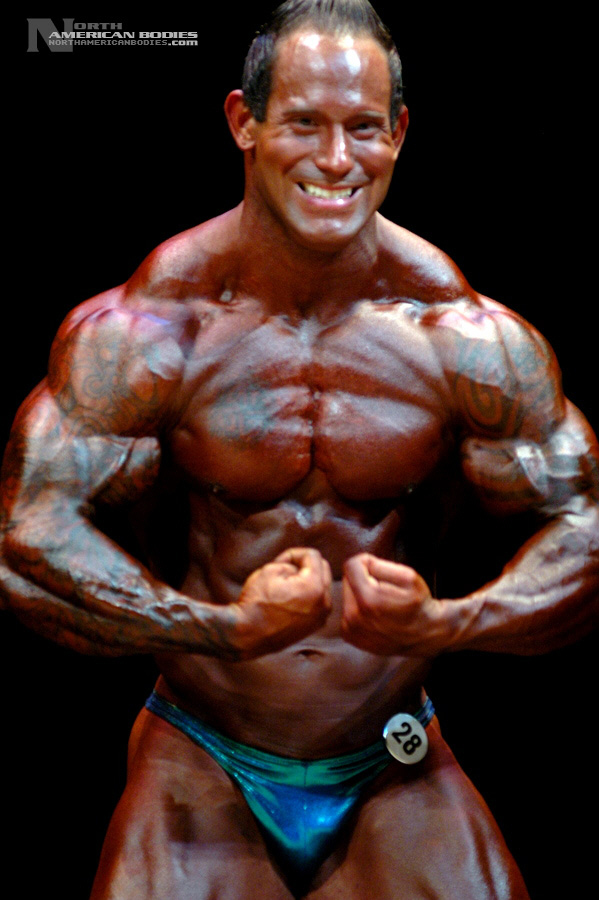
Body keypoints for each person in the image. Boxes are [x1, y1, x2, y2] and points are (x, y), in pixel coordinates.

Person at [2, 1, 597, 897]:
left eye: (362, 127)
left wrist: (449, 622)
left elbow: (587, 531)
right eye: (304, 124)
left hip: (390, 754)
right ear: (243, 122)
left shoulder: (463, 336)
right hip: (201, 750)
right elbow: (25, 547)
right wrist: (222, 629)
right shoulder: (155, 328)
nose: (335, 159)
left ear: (399, 134)